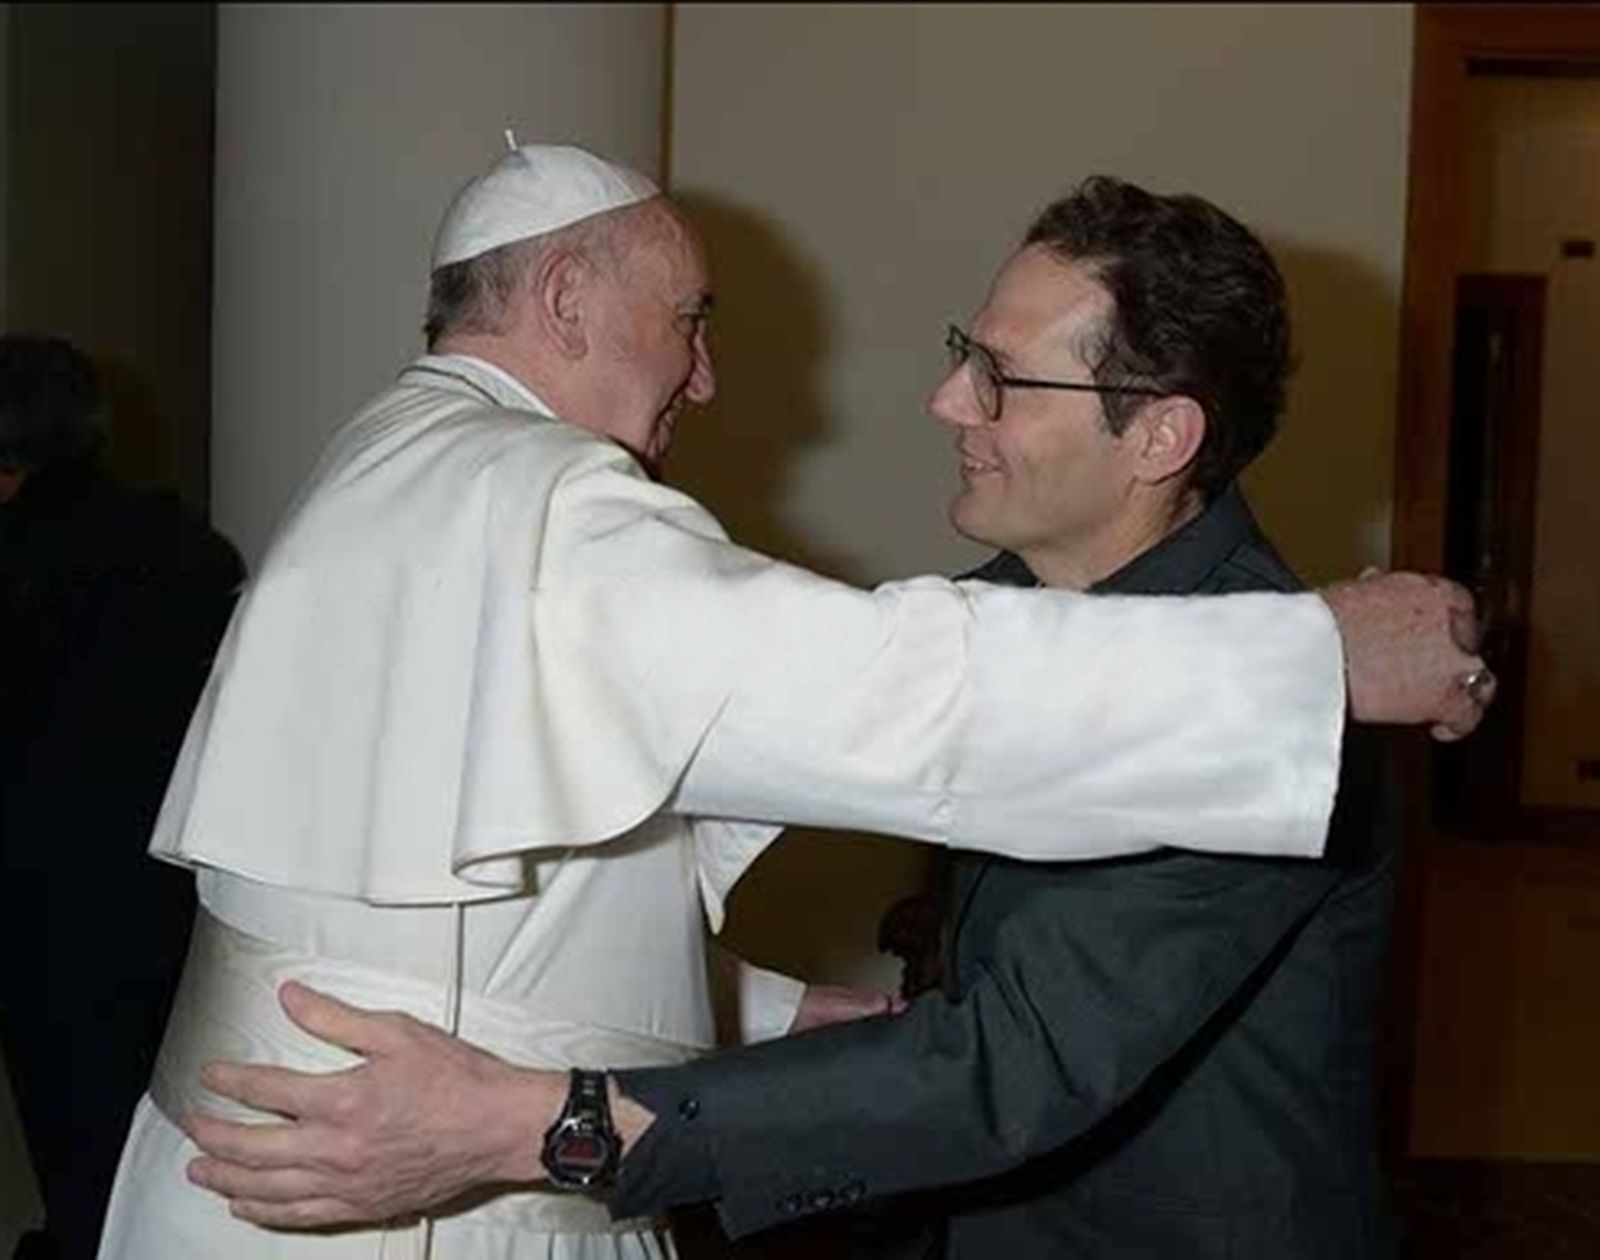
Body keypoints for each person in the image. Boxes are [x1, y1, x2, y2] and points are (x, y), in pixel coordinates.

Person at [102, 143, 1486, 1260]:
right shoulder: (541, 503)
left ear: (1163, 432)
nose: (946, 398)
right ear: (572, 305)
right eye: (687, 322)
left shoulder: (405, 453)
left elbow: (1001, 1062)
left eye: (997, 372)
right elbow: (901, 695)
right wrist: (1312, 655)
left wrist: (724, 1027)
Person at [0, 335, 244, 1260]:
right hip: (167, 895)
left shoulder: (18, 563)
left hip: (40, 906)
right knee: (153, 1121)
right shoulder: (191, 550)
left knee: (70, 1129)